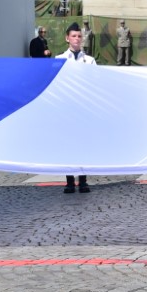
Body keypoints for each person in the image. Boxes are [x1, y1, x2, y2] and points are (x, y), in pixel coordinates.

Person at [56, 22, 97, 193]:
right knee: (68, 145)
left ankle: (83, 180)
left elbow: (96, 82)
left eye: (79, 36)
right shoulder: (59, 60)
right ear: (67, 38)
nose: (77, 39)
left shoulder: (89, 60)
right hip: (67, 108)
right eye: (73, 36)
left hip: (83, 108)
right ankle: (69, 181)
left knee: (83, 144)